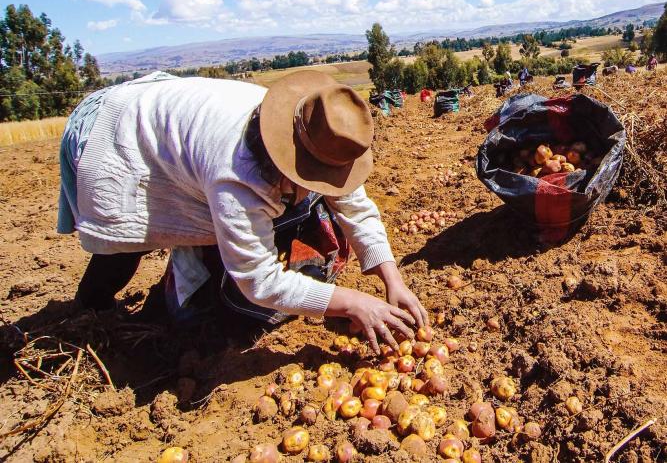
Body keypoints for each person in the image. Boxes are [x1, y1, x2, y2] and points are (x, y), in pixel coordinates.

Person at [57, 70, 427, 353]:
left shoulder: (321, 134)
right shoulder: (237, 173)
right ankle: (88, 313)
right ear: (289, 161)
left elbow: (356, 207)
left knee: (289, 214)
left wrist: (392, 280)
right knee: (125, 247)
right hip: (118, 131)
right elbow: (259, 280)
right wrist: (353, 302)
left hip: (179, 128)